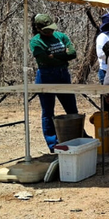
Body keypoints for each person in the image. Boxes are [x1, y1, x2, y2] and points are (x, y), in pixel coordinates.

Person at [30, 13, 79, 151]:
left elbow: (73, 53)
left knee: (71, 108)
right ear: (39, 29)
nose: (50, 32)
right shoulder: (35, 41)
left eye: (51, 28)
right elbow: (44, 59)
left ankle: (78, 136)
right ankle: (53, 143)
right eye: (46, 30)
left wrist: (56, 56)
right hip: (46, 76)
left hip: (63, 75)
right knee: (48, 111)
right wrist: (63, 57)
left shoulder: (61, 36)